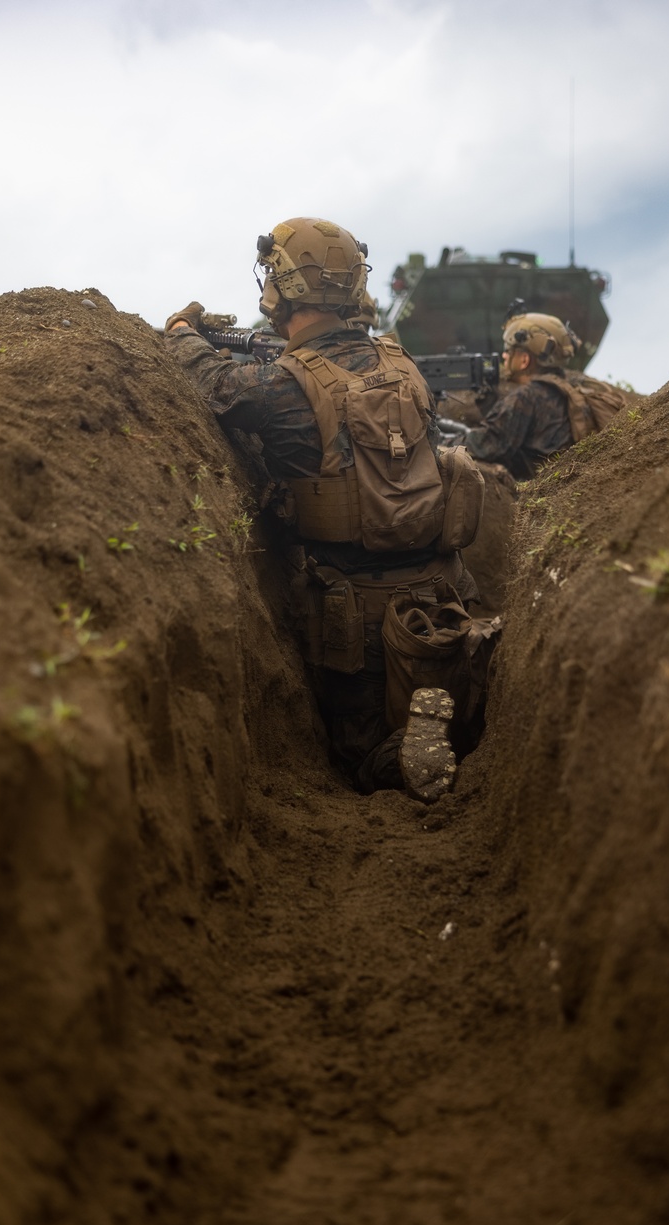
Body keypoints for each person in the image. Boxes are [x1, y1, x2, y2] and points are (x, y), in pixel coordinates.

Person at [164, 217, 485, 803]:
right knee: (438, 690)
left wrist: (184, 329)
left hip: (351, 608)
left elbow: (212, 383)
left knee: (354, 757)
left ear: (279, 288)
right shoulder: (403, 365)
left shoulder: (283, 386)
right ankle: (445, 729)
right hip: (443, 588)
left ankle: (396, 759)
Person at [463, 312, 628, 479]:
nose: (504, 355)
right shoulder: (564, 389)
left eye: (509, 350)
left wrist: (443, 441)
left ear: (524, 360)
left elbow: (486, 446)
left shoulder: (527, 397)